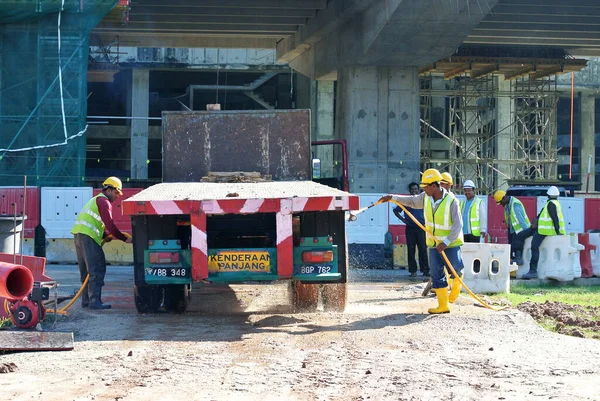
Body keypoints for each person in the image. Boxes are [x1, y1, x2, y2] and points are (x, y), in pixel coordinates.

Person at [380, 168, 464, 314]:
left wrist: (446, 242)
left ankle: (457, 284)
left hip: (451, 243)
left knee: (455, 269)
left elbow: (458, 225)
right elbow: (411, 201)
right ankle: (443, 305)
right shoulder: (425, 197)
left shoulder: (452, 201)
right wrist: (392, 197)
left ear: (434, 186)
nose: (423, 189)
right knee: (437, 274)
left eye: (425, 186)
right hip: (433, 244)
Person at [71, 176, 132, 309]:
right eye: (116, 192)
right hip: (88, 238)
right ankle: (95, 302)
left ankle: (86, 301)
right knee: (97, 268)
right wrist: (124, 238)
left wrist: (105, 235)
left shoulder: (94, 200)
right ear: (109, 189)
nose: (117, 196)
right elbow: (110, 224)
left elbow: (97, 223)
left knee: (86, 272)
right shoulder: (104, 202)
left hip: (79, 236)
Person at [514, 186, 566, 279]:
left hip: (545, 230)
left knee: (534, 247)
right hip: (541, 229)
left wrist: (558, 231)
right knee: (521, 235)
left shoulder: (551, 204)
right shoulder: (553, 203)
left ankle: (533, 271)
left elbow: (555, 219)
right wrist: (536, 220)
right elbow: (544, 215)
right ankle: (519, 257)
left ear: (548, 195)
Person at [392, 182, 429, 278]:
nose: (414, 191)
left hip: (421, 228)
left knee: (423, 249)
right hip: (410, 229)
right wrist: (403, 219)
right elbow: (395, 210)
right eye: (412, 189)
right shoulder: (407, 201)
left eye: (415, 189)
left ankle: (425, 270)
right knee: (411, 250)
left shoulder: (423, 200)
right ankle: (413, 271)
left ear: (418, 190)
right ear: (409, 191)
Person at [494, 190, 530, 265]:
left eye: (501, 202)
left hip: (520, 229)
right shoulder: (508, 205)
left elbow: (521, 220)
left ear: (504, 198)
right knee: (511, 246)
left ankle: (518, 258)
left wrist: (525, 232)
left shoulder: (515, 204)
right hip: (513, 230)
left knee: (517, 243)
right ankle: (513, 262)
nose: (501, 204)